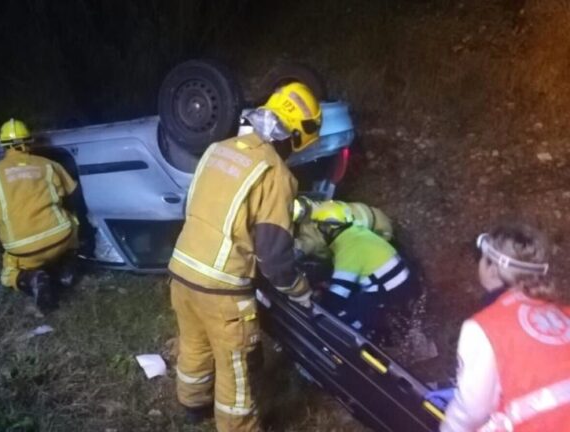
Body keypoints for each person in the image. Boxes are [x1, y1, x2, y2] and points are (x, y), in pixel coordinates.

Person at [168, 82, 322, 431]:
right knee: (236, 370)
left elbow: (195, 207)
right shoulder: (275, 173)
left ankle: (192, 404)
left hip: (181, 271)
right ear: (295, 135)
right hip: (222, 291)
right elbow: (274, 256)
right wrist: (301, 291)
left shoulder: (217, 149)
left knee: (194, 342)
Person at [441, 224, 570, 432]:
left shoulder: (484, 327)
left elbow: (471, 412)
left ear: (492, 270)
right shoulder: (564, 313)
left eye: (481, 259)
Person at [0, 118, 91, 310]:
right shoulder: (49, 165)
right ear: (29, 141)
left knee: (8, 275)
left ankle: (33, 279)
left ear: (2, 145)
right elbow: (74, 196)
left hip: (25, 250)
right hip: (60, 238)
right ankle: (67, 264)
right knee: (70, 223)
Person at [308, 201, 411, 336]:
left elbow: (338, 294)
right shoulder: (358, 233)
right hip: (403, 284)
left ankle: (373, 342)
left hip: (388, 293)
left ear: (328, 228)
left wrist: (315, 306)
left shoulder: (347, 247)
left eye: (320, 227)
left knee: (341, 318)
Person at [292, 197, 393, 259]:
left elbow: (298, 250)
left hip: (377, 227)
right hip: (372, 215)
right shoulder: (329, 212)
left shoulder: (313, 241)